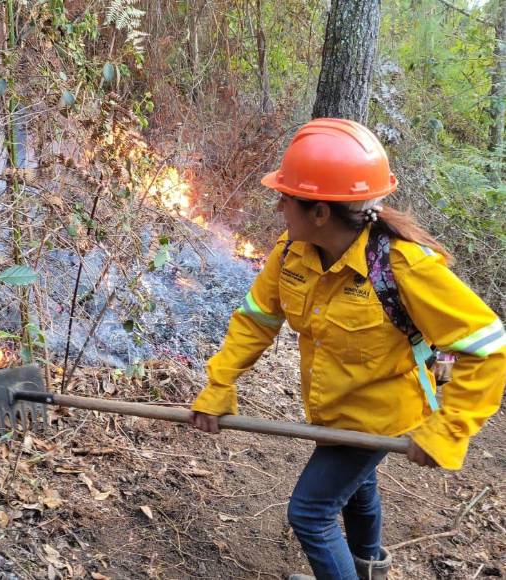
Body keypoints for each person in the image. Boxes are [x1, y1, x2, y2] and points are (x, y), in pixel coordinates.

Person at [189, 118, 506, 580]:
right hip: (332, 408)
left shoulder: (402, 266)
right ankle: (368, 567)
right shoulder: (291, 252)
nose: (278, 206)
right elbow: (256, 319)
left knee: (310, 513)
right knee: (357, 490)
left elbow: (488, 345)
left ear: (320, 213)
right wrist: (220, 382)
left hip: (378, 415)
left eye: (286, 197)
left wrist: (449, 428)